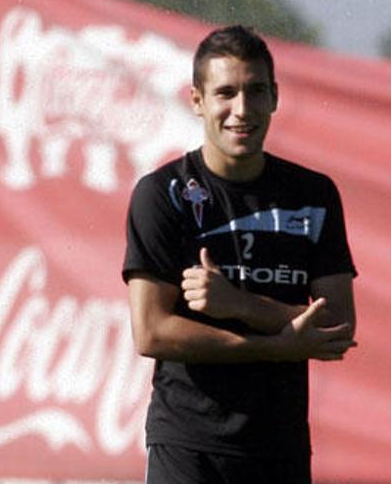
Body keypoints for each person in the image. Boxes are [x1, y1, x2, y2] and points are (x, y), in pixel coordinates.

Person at [122, 25, 357, 483]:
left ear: (275, 97)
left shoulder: (313, 195)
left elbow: (336, 328)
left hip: (279, 446)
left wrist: (240, 305)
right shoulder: (162, 194)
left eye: (255, 91)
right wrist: (274, 346)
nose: (242, 110)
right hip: (189, 447)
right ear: (197, 100)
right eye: (225, 93)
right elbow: (151, 332)